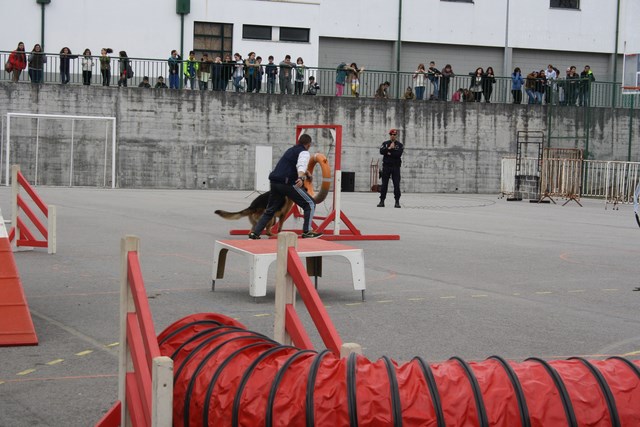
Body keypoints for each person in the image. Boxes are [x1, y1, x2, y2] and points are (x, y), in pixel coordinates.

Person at [249, 134, 323, 240]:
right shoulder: (304, 152)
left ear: (299, 142)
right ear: (309, 145)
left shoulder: (290, 150)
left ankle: (255, 233)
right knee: (310, 204)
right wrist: (301, 177)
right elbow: (301, 165)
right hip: (287, 184)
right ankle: (307, 232)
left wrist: (307, 173)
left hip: (275, 182)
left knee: (270, 209)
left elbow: (291, 164)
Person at [377, 129, 404, 208]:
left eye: (394, 135)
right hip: (386, 167)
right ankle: (382, 201)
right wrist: (389, 148)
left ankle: (397, 202)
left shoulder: (399, 145)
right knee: (384, 185)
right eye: (391, 134)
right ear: (390, 135)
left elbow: (398, 154)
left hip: (395, 167)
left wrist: (389, 152)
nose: (393, 136)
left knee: (396, 185)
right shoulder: (385, 143)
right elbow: (381, 151)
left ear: (396, 136)